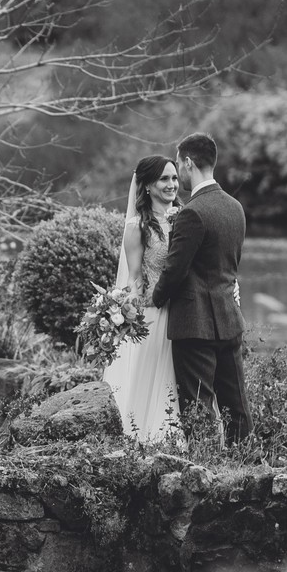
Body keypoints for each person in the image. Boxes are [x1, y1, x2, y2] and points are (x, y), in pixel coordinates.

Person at [150, 132, 252, 445]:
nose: (177, 171)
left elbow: (175, 271)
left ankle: (205, 467)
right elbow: (228, 266)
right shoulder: (235, 207)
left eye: (179, 163)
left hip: (195, 325)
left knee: (197, 403)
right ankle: (243, 462)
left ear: (189, 162)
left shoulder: (192, 212)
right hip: (229, 318)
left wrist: (155, 299)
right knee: (235, 402)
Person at [102, 155, 182, 444]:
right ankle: (148, 437)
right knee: (154, 377)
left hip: (187, 309)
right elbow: (135, 276)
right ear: (147, 185)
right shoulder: (137, 227)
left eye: (174, 178)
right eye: (164, 179)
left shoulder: (188, 216)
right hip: (155, 312)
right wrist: (128, 313)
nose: (172, 184)